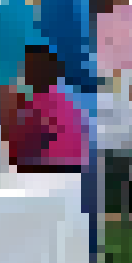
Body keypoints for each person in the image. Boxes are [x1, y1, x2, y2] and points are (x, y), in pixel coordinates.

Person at [43, 0, 107, 263]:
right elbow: (79, 61)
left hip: (52, 104)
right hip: (76, 105)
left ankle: (67, 260)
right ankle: (86, 262)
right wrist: (105, 79)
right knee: (84, 189)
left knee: (63, 188)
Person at [0, 0, 52, 163]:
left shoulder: (1, 4)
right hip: (18, 90)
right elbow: (34, 51)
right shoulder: (24, 9)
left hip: (0, 86)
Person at [9, 44, 90, 174]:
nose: (27, 74)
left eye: (31, 68)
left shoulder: (44, 103)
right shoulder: (68, 99)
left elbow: (26, 145)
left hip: (49, 170)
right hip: (70, 169)